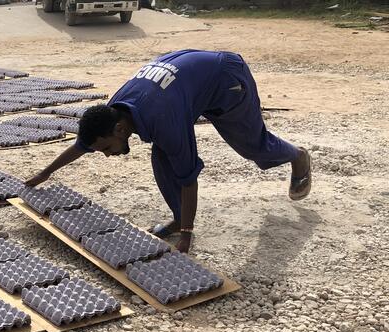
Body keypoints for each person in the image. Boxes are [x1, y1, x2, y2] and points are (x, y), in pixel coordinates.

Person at [26, 49, 312, 253]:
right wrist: (45, 174)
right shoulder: (113, 111)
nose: (106, 154)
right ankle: (178, 217)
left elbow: (189, 177)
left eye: (106, 148)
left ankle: (298, 157)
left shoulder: (164, 120)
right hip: (190, 79)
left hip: (226, 79)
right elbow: (82, 145)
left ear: (120, 130)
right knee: (161, 155)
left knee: (252, 146)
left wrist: (187, 235)